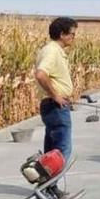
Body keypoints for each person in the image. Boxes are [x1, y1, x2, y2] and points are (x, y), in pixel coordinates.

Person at [34, 17, 77, 161]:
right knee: (62, 149)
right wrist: (56, 96)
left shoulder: (53, 51)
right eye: (71, 34)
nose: (73, 37)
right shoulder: (52, 51)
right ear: (62, 34)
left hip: (53, 106)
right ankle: (50, 181)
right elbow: (41, 74)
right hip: (55, 106)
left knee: (52, 150)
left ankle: (49, 183)